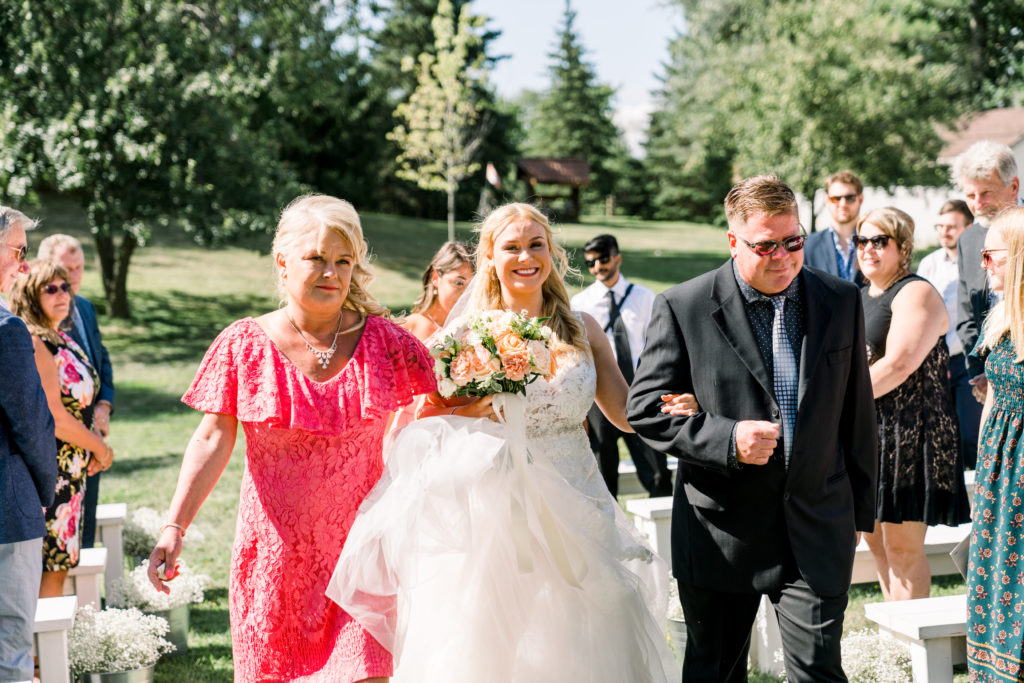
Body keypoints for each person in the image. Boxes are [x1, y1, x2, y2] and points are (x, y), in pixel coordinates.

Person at [329, 203, 696, 682]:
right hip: (498, 507)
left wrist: (671, 408)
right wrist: (472, 409)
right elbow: (421, 415)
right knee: (507, 633)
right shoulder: (465, 334)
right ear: (490, 257)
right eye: (513, 247)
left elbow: (625, 414)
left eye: (536, 244)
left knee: (593, 619)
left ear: (551, 252)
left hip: (577, 491)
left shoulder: (584, 330)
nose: (526, 256)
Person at [147, 194, 435, 682]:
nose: (332, 273)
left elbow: (442, 413)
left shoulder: (388, 343)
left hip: (363, 562)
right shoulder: (243, 344)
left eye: (344, 261)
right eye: (317, 258)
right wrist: (175, 527)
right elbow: (212, 438)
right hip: (273, 567)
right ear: (282, 262)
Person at [627, 174, 877, 682]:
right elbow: (646, 408)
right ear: (733, 242)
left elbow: (858, 412)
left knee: (819, 673)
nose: (783, 256)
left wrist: (859, 511)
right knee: (714, 671)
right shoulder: (683, 305)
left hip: (816, 521)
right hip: (723, 529)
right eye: (767, 245)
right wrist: (727, 438)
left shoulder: (841, 299)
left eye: (794, 242)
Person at [855, 207, 971, 601]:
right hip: (868, 433)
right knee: (876, 547)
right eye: (861, 240)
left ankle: (912, 650)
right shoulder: (857, 295)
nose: (868, 249)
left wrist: (835, 402)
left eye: (879, 240)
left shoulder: (915, 292)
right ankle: (896, 643)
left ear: (902, 246)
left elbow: (899, 364)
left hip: (911, 435)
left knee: (903, 549)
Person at [8, 260, 113, 599]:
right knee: (51, 569)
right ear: (29, 295)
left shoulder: (62, 338)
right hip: (52, 475)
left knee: (60, 567)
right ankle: (38, 654)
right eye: (49, 288)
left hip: (73, 473)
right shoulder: (37, 342)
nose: (61, 294)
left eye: (64, 286)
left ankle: (45, 652)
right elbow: (54, 414)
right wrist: (100, 448)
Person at [965, 206, 1024, 678]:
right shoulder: (1002, 314)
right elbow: (993, 398)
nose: (984, 264)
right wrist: (983, 475)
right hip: (1000, 470)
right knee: (996, 573)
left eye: (992, 254)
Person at [0, 207, 57, 683]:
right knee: (10, 646)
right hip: (6, 511)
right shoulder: (6, 330)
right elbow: (33, 426)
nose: (24, 265)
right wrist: (46, 489)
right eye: (18, 251)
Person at [571, 234, 672, 497]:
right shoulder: (579, 304)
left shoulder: (644, 297)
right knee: (603, 471)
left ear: (617, 257)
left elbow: (659, 345)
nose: (597, 267)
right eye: (590, 263)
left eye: (603, 259)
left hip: (639, 390)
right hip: (599, 394)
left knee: (657, 468)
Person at [38, 234, 115, 549]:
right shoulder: (40, 320)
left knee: (83, 536)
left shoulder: (85, 307)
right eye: (65, 269)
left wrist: (104, 405)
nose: (74, 276)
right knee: (57, 548)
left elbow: (102, 358)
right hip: (60, 449)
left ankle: (85, 599)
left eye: (79, 267)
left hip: (92, 442)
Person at [953, 141, 1021, 403]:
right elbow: (967, 315)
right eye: (970, 196)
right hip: (989, 380)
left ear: (1013, 186)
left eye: (986, 193)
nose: (977, 204)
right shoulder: (968, 240)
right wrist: (981, 371)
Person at [917, 200, 982, 469]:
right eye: (940, 226)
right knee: (941, 437)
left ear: (968, 227)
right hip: (936, 361)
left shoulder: (979, 261)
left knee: (970, 435)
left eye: (951, 227)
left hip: (967, 360)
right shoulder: (929, 263)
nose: (944, 232)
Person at [402, 240, 474, 343]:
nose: (465, 294)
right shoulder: (408, 327)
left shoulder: (473, 331)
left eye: (471, 287)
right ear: (435, 277)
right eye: (458, 283)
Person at [804, 170, 865, 283]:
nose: (843, 204)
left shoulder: (876, 242)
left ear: (860, 199)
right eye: (836, 198)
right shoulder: (809, 246)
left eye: (849, 198)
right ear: (827, 200)